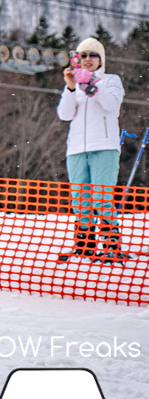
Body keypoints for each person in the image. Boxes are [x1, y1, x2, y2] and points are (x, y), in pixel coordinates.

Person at [56, 37, 125, 262]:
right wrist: (71, 87)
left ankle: (110, 245)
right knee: (80, 199)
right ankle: (84, 245)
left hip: (104, 146)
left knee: (102, 197)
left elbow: (111, 105)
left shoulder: (111, 80)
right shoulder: (74, 85)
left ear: (100, 59)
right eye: (83, 55)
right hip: (76, 148)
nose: (87, 59)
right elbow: (65, 114)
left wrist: (90, 85)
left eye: (92, 55)